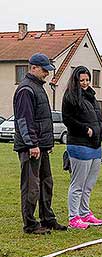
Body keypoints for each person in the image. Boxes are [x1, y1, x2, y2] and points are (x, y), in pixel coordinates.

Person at [13, 53, 67, 234]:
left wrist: (45, 144)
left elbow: (42, 119)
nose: (47, 74)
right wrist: (32, 144)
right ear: (33, 67)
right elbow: (24, 120)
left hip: (41, 147)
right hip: (31, 148)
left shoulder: (38, 87)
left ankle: (47, 219)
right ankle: (30, 223)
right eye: (44, 70)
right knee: (31, 186)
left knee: (46, 183)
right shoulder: (26, 89)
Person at [62, 66, 102, 230]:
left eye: (87, 80)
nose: (85, 83)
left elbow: (97, 117)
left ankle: (85, 212)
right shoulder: (70, 97)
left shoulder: (92, 96)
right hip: (79, 145)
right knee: (78, 185)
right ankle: (73, 217)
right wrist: (85, 129)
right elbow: (68, 119)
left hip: (95, 145)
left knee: (89, 184)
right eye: (82, 80)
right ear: (76, 80)